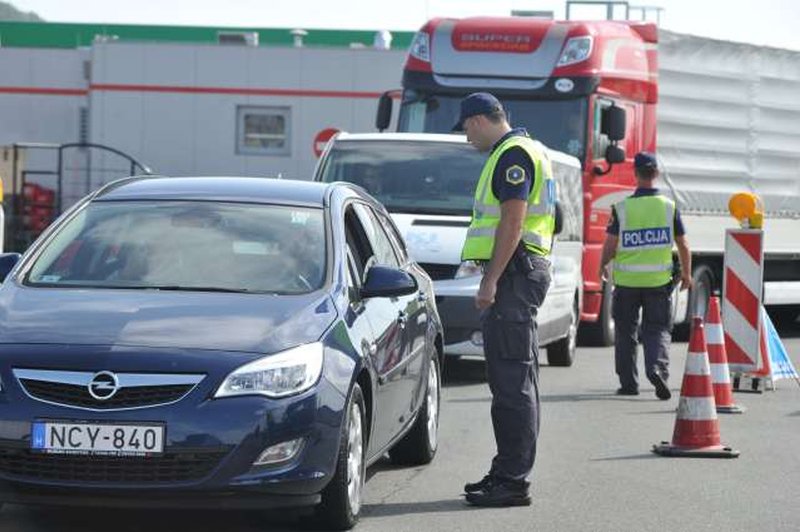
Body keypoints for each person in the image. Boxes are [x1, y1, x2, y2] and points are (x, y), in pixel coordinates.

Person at [456, 92, 555, 507]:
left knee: (512, 385)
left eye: (465, 127)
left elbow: (512, 221)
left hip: (514, 277)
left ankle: (512, 480)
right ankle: (506, 471)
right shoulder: (528, 148)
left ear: (478, 120)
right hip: (522, 274)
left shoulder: (512, 154)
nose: (466, 137)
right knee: (513, 381)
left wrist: (489, 281)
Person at [598, 152, 693, 400]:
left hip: (627, 283)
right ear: (657, 174)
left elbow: (610, 243)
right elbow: (683, 244)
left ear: (635, 174)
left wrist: (602, 264)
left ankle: (629, 383)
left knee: (625, 332)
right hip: (658, 283)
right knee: (658, 329)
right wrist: (686, 273)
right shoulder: (669, 208)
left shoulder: (622, 208)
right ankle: (657, 369)